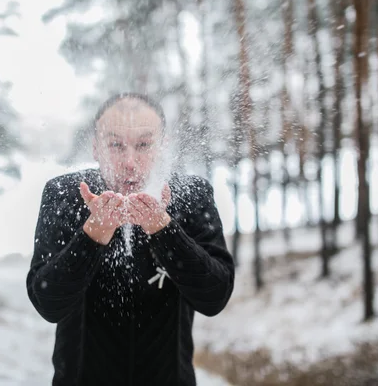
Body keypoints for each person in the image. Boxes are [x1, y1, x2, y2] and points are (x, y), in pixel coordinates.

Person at [26, 93, 235, 386]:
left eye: (144, 145)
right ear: (96, 147)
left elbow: (215, 297)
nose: (129, 162)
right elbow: (48, 303)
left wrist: (164, 230)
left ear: (162, 146)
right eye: (115, 145)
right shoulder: (64, 195)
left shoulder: (192, 196)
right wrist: (93, 234)